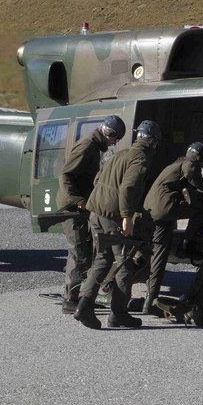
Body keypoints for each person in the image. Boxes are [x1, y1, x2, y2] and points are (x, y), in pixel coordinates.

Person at [74, 120, 162, 330]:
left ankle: (83, 306)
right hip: (113, 217)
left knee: (102, 259)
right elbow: (128, 188)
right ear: (153, 142)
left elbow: (97, 179)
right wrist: (126, 217)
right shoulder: (140, 158)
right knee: (125, 263)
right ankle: (118, 313)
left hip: (96, 213)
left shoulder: (121, 154)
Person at [56, 115, 126, 314]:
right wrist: (78, 200)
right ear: (108, 134)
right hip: (72, 207)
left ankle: (80, 297)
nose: (115, 143)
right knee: (78, 252)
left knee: (85, 251)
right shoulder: (87, 146)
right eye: (115, 139)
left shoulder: (94, 147)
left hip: (80, 206)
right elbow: (65, 175)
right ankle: (70, 300)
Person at [142, 141, 203, 315]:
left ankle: (149, 300)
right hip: (164, 209)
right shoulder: (190, 164)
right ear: (200, 157)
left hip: (151, 209)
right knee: (200, 210)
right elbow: (194, 179)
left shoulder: (175, 164)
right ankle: (187, 244)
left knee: (156, 252)